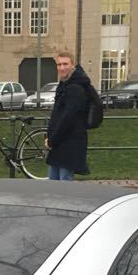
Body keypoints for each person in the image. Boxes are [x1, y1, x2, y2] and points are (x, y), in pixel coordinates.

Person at [45, 50, 91, 181]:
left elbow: (67, 118)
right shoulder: (65, 84)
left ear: (72, 66)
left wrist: (52, 140)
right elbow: (58, 114)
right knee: (53, 183)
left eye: (65, 64)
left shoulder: (75, 88)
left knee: (64, 185)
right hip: (59, 143)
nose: (62, 68)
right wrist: (49, 137)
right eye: (59, 65)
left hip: (69, 143)